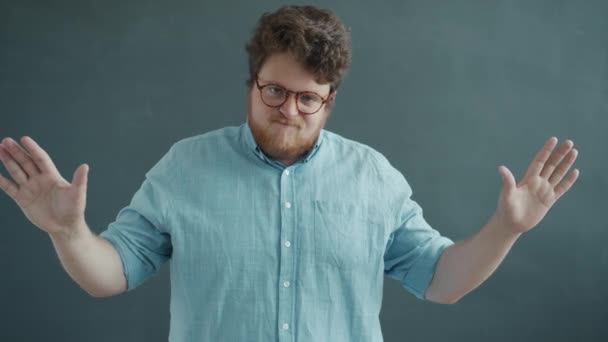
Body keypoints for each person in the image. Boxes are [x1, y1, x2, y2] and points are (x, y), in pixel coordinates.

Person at [0, 5, 579, 342]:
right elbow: (111, 274)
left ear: (330, 100)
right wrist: (68, 233)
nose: (289, 110)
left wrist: (507, 227)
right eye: (275, 90)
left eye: (309, 99)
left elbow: (441, 283)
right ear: (253, 83)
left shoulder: (374, 177)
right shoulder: (185, 167)